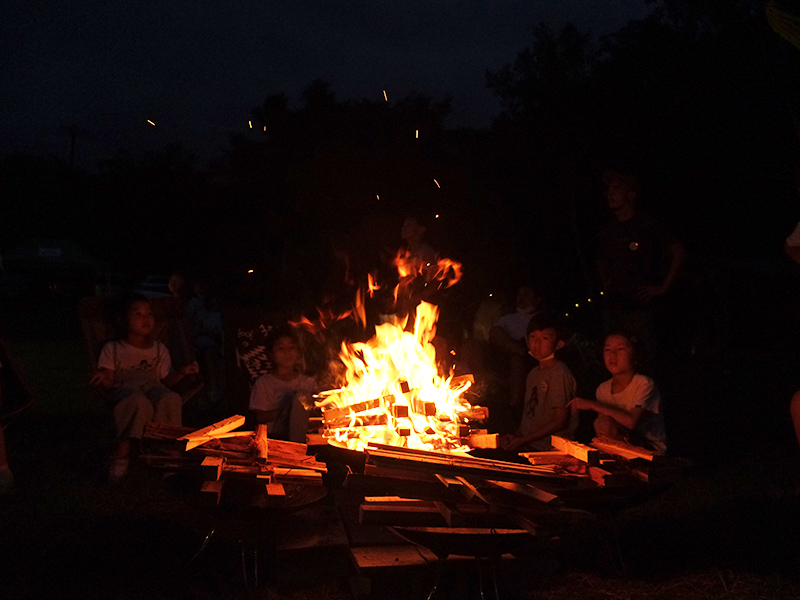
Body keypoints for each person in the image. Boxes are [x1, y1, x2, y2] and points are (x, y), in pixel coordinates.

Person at [90, 295, 199, 482]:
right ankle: (122, 452)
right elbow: (109, 382)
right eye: (138, 314)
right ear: (124, 320)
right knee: (139, 402)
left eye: (149, 314)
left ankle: (169, 453)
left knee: (170, 398)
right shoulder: (114, 348)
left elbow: (165, 382)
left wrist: (181, 373)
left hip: (153, 386)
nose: (145, 318)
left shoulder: (159, 349)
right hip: (126, 389)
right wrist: (102, 379)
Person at [595, 170, 686, 364]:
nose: (610, 194)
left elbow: (678, 252)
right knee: (615, 361)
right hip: (614, 306)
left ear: (631, 194)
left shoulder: (648, 225)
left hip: (641, 307)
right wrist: (606, 282)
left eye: (617, 189)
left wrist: (662, 287)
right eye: (608, 190)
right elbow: (600, 259)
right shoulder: (607, 231)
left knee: (642, 360)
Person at [567, 330, 667, 454]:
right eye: (607, 350)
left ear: (634, 354)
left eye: (620, 349)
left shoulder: (644, 384)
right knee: (601, 423)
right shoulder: (603, 389)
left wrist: (592, 404)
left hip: (648, 449)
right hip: (620, 445)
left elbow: (631, 422)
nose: (612, 355)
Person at [499, 312, 577, 452]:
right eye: (533, 336)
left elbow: (559, 420)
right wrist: (516, 436)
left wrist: (523, 440)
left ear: (559, 344)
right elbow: (530, 415)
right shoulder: (533, 374)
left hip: (548, 449)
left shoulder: (559, 373)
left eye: (545, 338)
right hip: (528, 444)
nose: (537, 343)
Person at [249, 326, 317, 443]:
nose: (287, 352)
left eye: (292, 347)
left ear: (298, 353)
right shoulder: (264, 383)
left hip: (306, 437)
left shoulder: (308, 382)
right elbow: (260, 417)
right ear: (271, 353)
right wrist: (286, 411)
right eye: (280, 348)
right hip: (275, 439)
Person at [490, 285, 544, 407]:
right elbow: (496, 335)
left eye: (526, 295)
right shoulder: (508, 318)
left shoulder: (542, 318)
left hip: (534, 354)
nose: (521, 298)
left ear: (536, 299)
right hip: (512, 351)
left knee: (517, 359)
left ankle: (514, 407)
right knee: (515, 354)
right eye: (520, 295)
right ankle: (522, 353)